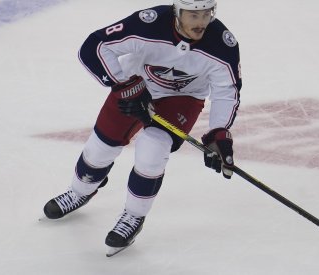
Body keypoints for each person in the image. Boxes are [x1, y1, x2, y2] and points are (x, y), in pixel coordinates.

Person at [43, 0, 241, 256]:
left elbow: (227, 91)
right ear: (177, 11)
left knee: (152, 149)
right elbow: (95, 45)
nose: (201, 22)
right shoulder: (149, 23)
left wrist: (219, 133)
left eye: (206, 13)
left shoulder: (222, 44)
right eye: (194, 14)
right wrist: (124, 86)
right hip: (135, 86)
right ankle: (80, 192)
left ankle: (133, 217)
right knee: (101, 147)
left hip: (184, 98)